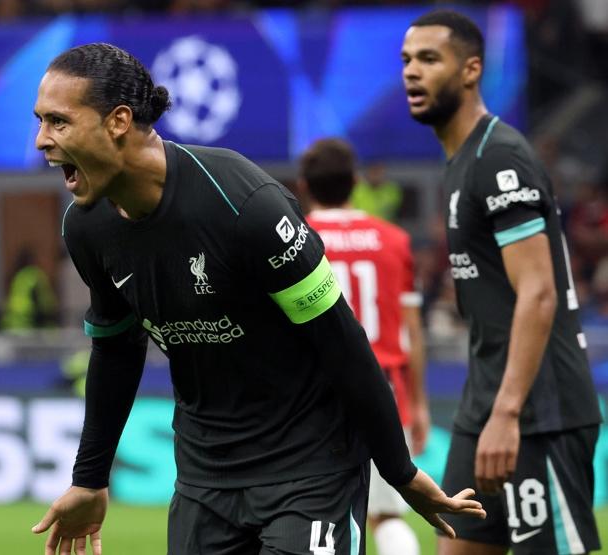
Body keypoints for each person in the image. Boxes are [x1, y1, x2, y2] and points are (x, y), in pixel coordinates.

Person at [29, 42, 484, 555]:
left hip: (311, 466)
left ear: (118, 121)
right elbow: (116, 346)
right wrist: (89, 478)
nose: (42, 140)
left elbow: (342, 340)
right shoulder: (87, 227)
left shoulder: (242, 202)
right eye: (41, 121)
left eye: (58, 122)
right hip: (205, 478)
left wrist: (399, 471)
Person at [403, 10, 601, 555]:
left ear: (470, 71)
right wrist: (492, 410)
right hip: (482, 403)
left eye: (428, 59)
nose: (411, 73)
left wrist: (509, 412)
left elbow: (538, 291)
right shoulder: (460, 162)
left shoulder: (500, 157)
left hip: (540, 411)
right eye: (406, 61)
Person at [300, 138, 429, 555]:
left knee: (308, 512)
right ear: (355, 182)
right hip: (384, 389)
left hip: (313, 393)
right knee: (387, 515)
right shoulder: (394, 240)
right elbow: (412, 333)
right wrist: (421, 403)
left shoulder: (293, 238)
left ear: (303, 185)